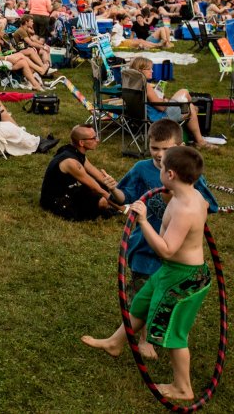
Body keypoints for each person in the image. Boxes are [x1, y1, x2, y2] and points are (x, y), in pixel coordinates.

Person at [81, 147, 211, 401]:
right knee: (140, 303)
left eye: (161, 168)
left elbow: (166, 249)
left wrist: (141, 223)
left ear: (170, 174)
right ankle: (115, 343)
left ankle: (183, 387)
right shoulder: (189, 195)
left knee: (173, 334)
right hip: (173, 272)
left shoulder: (186, 209)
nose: (158, 171)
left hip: (182, 280)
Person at [127, 57, 215, 150]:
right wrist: (164, 100)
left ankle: (192, 116)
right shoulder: (145, 85)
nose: (152, 71)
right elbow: (161, 108)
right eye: (149, 69)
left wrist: (160, 97)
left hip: (141, 115)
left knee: (183, 91)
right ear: (140, 70)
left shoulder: (131, 83)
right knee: (190, 107)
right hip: (160, 117)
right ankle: (200, 141)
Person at [39, 125, 126, 220]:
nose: (97, 140)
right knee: (102, 201)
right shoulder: (71, 162)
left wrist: (125, 194)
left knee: (105, 184)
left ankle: (112, 205)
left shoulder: (75, 152)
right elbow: (97, 189)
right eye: (93, 138)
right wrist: (125, 209)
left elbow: (99, 176)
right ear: (81, 142)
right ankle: (110, 208)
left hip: (70, 191)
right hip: (57, 202)